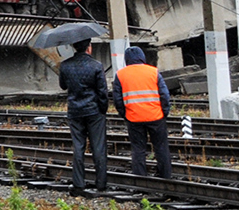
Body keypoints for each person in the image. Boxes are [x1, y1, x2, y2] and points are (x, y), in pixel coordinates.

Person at [111, 45, 173, 179]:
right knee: (161, 148)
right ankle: (166, 176)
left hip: (134, 118)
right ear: (142, 57)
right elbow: (164, 95)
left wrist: (125, 115)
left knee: (138, 149)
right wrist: (164, 113)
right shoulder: (153, 72)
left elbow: (117, 100)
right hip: (156, 116)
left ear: (127, 60)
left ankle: (140, 178)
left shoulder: (120, 75)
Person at [59, 39, 110, 196]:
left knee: (78, 148)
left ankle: (78, 184)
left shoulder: (65, 65)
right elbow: (103, 92)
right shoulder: (96, 66)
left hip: (75, 112)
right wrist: (103, 109)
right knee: (98, 148)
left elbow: (63, 86)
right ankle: (101, 183)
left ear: (74, 47)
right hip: (94, 111)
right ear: (89, 47)